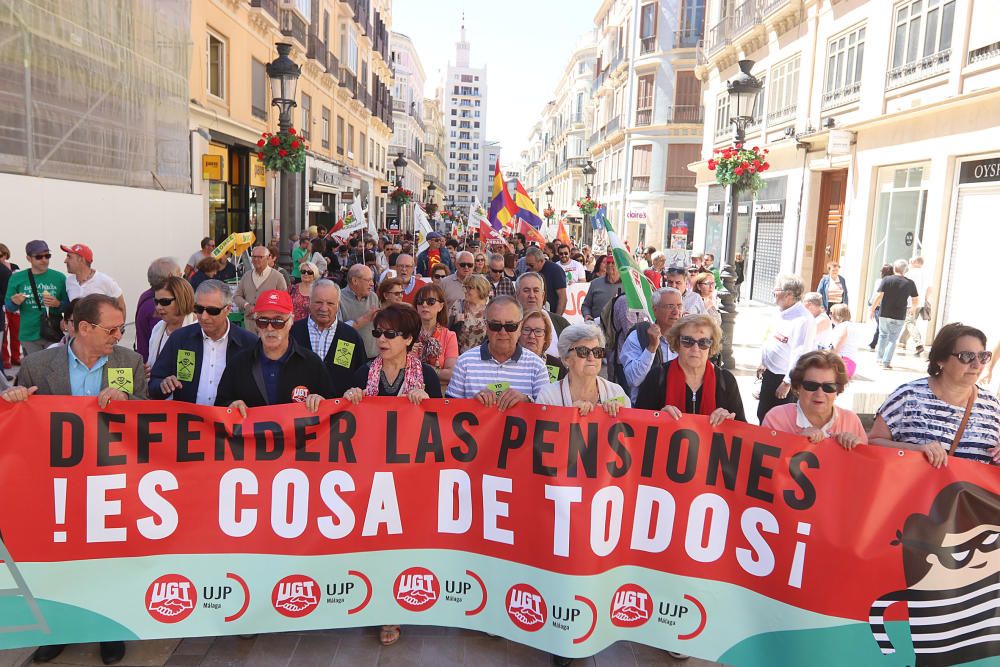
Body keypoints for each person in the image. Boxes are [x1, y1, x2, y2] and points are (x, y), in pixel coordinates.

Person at [2, 293, 146, 666]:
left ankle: (109, 629)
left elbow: (147, 419)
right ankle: (58, 629)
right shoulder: (37, 365)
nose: (119, 335)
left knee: (109, 559)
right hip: (56, 486)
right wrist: (15, 397)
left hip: (110, 480)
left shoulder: (129, 362)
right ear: (83, 328)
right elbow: (21, 417)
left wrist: (127, 398)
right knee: (58, 559)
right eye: (112, 329)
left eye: (120, 327)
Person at [342, 302, 441, 649]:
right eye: (378, 332)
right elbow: (344, 421)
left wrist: (426, 403)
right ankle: (375, 602)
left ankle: (393, 610)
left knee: (401, 545)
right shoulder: (362, 373)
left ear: (409, 339)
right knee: (372, 544)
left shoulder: (425, 375)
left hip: (409, 476)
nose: (382, 339)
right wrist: (350, 398)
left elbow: (440, 426)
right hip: (368, 476)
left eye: (390, 334)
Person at [868, 323, 1000, 467]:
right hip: (916, 488)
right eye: (967, 356)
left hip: (971, 490)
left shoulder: (992, 406)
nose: (977, 364)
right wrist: (916, 450)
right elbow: (872, 443)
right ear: (941, 359)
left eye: (982, 356)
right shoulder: (907, 396)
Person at [215, 290, 332, 414]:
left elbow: (333, 408)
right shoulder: (239, 364)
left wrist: (321, 401)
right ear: (256, 324)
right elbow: (220, 404)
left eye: (278, 321)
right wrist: (230, 406)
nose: (270, 328)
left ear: (291, 321)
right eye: (263, 321)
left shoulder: (311, 363)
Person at [149, 280, 258, 404]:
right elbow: (154, 382)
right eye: (199, 309)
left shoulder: (248, 343)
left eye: (212, 311)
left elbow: (259, 390)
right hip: (188, 420)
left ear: (228, 309)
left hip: (229, 421)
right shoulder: (179, 339)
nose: (204, 317)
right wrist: (163, 385)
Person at [635, 314, 745, 424]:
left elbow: (743, 431)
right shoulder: (656, 377)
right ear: (677, 343)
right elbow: (638, 424)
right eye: (687, 341)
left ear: (711, 346)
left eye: (703, 343)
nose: (695, 348)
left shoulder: (726, 380)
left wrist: (730, 422)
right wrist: (658, 417)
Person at [446, 295, 549, 407]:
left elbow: (547, 413)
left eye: (511, 326)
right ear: (486, 326)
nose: (503, 332)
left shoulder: (537, 366)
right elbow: (449, 411)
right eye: (495, 325)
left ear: (520, 327)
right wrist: (473, 405)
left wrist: (527, 401)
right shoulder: (464, 363)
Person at [762, 350, 866, 448]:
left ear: (838, 390)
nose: (819, 393)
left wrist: (859, 448)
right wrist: (796, 442)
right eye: (811, 385)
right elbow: (764, 463)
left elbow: (866, 463)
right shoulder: (776, 418)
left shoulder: (851, 421)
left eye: (829, 387)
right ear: (798, 387)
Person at [289, 279, 366, 398]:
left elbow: (361, 376)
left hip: (340, 412)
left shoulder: (351, 337)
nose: (324, 308)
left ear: (338, 305)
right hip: (299, 412)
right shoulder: (292, 333)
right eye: (318, 302)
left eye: (330, 303)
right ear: (309, 302)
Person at [757, 274, 817, 423]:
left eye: (776, 290)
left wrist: (787, 383)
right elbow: (771, 338)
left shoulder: (803, 319)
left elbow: (801, 354)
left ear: (789, 294)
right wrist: (763, 362)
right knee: (763, 415)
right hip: (769, 373)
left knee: (780, 422)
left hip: (783, 379)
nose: (773, 292)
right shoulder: (780, 311)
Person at [536, 323, 629, 415]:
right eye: (583, 351)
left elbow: (629, 427)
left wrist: (621, 414)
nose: (591, 357)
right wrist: (568, 415)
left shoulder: (616, 393)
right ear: (566, 358)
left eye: (597, 351)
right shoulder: (548, 396)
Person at [3, 240, 68, 358]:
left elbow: (68, 306)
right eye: (39, 257)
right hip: (29, 335)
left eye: (47, 256)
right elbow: (9, 307)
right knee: (35, 372)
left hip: (53, 333)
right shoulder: (17, 278)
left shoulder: (59, 277)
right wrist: (14, 302)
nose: (44, 260)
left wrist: (58, 304)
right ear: (29, 258)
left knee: (52, 370)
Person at [619, 287, 684, 403]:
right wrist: (651, 348)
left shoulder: (688, 338)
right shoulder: (638, 336)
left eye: (679, 306)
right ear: (655, 310)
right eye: (670, 306)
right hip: (647, 411)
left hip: (679, 411)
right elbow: (634, 379)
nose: (676, 311)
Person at [869, 259, 918, 369]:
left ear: (894, 269)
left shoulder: (886, 279)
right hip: (899, 315)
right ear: (905, 270)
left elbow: (879, 296)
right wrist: (913, 309)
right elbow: (915, 299)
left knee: (883, 335)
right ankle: (886, 362)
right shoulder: (910, 283)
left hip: (884, 313)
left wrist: (872, 309)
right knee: (892, 339)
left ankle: (879, 359)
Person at [413, 283, 458, 392]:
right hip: (409, 393)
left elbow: (451, 374)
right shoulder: (407, 334)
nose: (424, 305)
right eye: (420, 301)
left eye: (430, 302)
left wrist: (419, 369)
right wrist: (438, 373)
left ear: (441, 306)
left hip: (438, 395)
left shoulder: (449, 336)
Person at [134, 257, 181, 362]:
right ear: (171, 277)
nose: (182, 278)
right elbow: (163, 343)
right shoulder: (160, 305)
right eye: (179, 274)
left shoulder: (146, 296)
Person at [234, 246, 287, 335]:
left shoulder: (278, 277)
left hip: (269, 325)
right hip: (249, 324)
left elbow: (284, 300)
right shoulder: (246, 276)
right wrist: (246, 305)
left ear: (268, 258)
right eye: (254, 257)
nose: (256, 260)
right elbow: (237, 296)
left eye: (260, 257)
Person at [61, 243, 125, 314]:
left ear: (81, 259)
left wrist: (120, 325)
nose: (65, 261)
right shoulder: (69, 281)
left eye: (69, 257)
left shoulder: (104, 280)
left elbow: (121, 306)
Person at [147, 277, 196, 368]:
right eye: (156, 302)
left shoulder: (199, 330)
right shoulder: (158, 328)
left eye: (165, 302)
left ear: (182, 299)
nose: (158, 307)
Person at [516, 272, 569, 356]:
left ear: (543, 295)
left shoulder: (560, 323)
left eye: (536, 290)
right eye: (526, 290)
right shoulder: (507, 324)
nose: (532, 295)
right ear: (517, 295)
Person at [339, 263, 380, 358]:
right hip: (345, 355)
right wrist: (364, 319)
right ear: (355, 281)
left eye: (372, 280)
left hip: (371, 354)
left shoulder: (373, 296)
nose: (372, 284)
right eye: (368, 280)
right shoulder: (338, 298)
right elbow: (337, 331)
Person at [519, 309, 566, 382]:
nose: (532, 336)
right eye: (527, 330)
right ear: (518, 333)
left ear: (545, 336)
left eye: (538, 331)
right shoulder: (508, 363)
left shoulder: (557, 366)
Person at [898, 255, 932, 356]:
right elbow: (930, 289)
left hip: (910, 302)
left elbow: (903, 287)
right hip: (920, 302)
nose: (910, 262)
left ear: (916, 262)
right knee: (911, 322)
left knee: (909, 322)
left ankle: (919, 344)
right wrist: (925, 299)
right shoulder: (926, 273)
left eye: (911, 260)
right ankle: (902, 342)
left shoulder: (910, 273)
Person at [449, 274, 490, 354]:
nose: (465, 291)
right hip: (459, 355)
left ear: (480, 289)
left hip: (483, 355)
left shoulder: (491, 308)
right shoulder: (458, 305)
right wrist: (455, 322)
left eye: (470, 288)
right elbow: (448, 331)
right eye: (465, 287)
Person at [523, 246, 567, 315]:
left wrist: (557, 318)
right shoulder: (528, 272)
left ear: (541, 261)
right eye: (527, 264)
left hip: (551, 313)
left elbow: (563, 298)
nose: (528, 267)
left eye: (531, 265)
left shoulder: (556, 271)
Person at [0, 243, 21, 369]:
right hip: (2, 306)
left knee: (16, 331)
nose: (1, 258)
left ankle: (16, 356)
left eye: (2, 255)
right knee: (3, 335)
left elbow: (18, 284)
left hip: (13, 304)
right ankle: (5, 358)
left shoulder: (14, 267)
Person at [582, 256, 620, 323]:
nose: (609, 265)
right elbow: (586, 305)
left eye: (613, 263)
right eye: (608, 263)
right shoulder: (595, 283)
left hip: (619, 329)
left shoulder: (627, 285)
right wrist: (587, 315)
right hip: (597, 327)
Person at [868, 263, 894, 350]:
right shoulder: (893, 282)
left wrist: (872, 306)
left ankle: (874, 344)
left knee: (881, 326)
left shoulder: (880, 281)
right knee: (881, 326)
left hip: (879, 306)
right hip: (887, 307)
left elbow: (876, 294)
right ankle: (875, 344)